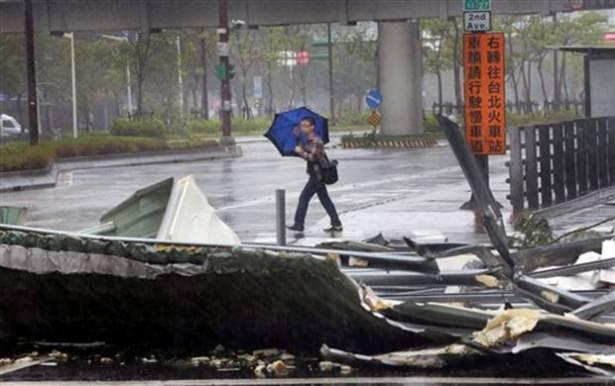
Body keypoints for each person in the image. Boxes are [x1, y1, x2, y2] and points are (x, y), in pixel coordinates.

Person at [287, 116, 343, 233]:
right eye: (301, 125)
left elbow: (313, 158)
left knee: (303, 198)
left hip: (317, 175)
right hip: (316, 174)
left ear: (312, 127)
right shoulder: (307, 140)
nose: (303, 128)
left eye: (305, 125)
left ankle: (299, 224)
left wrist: (301, 151)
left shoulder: (316, 141)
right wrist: (297, 139)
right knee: (324, 199)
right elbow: (306, 153)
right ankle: (336, 223)